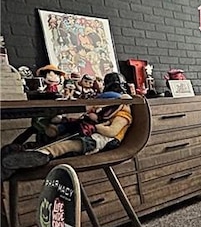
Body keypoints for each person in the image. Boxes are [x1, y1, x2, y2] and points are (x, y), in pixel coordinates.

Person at [1, 72, 133, 181]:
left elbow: (112, 131)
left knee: (67, 145)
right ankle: (24, 151)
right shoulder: (102, 111)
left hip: (98, 141)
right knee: (59, 135)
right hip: (88, 133)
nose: (99, 108)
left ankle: (42, 154)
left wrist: (96, 126)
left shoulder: (122, 114)